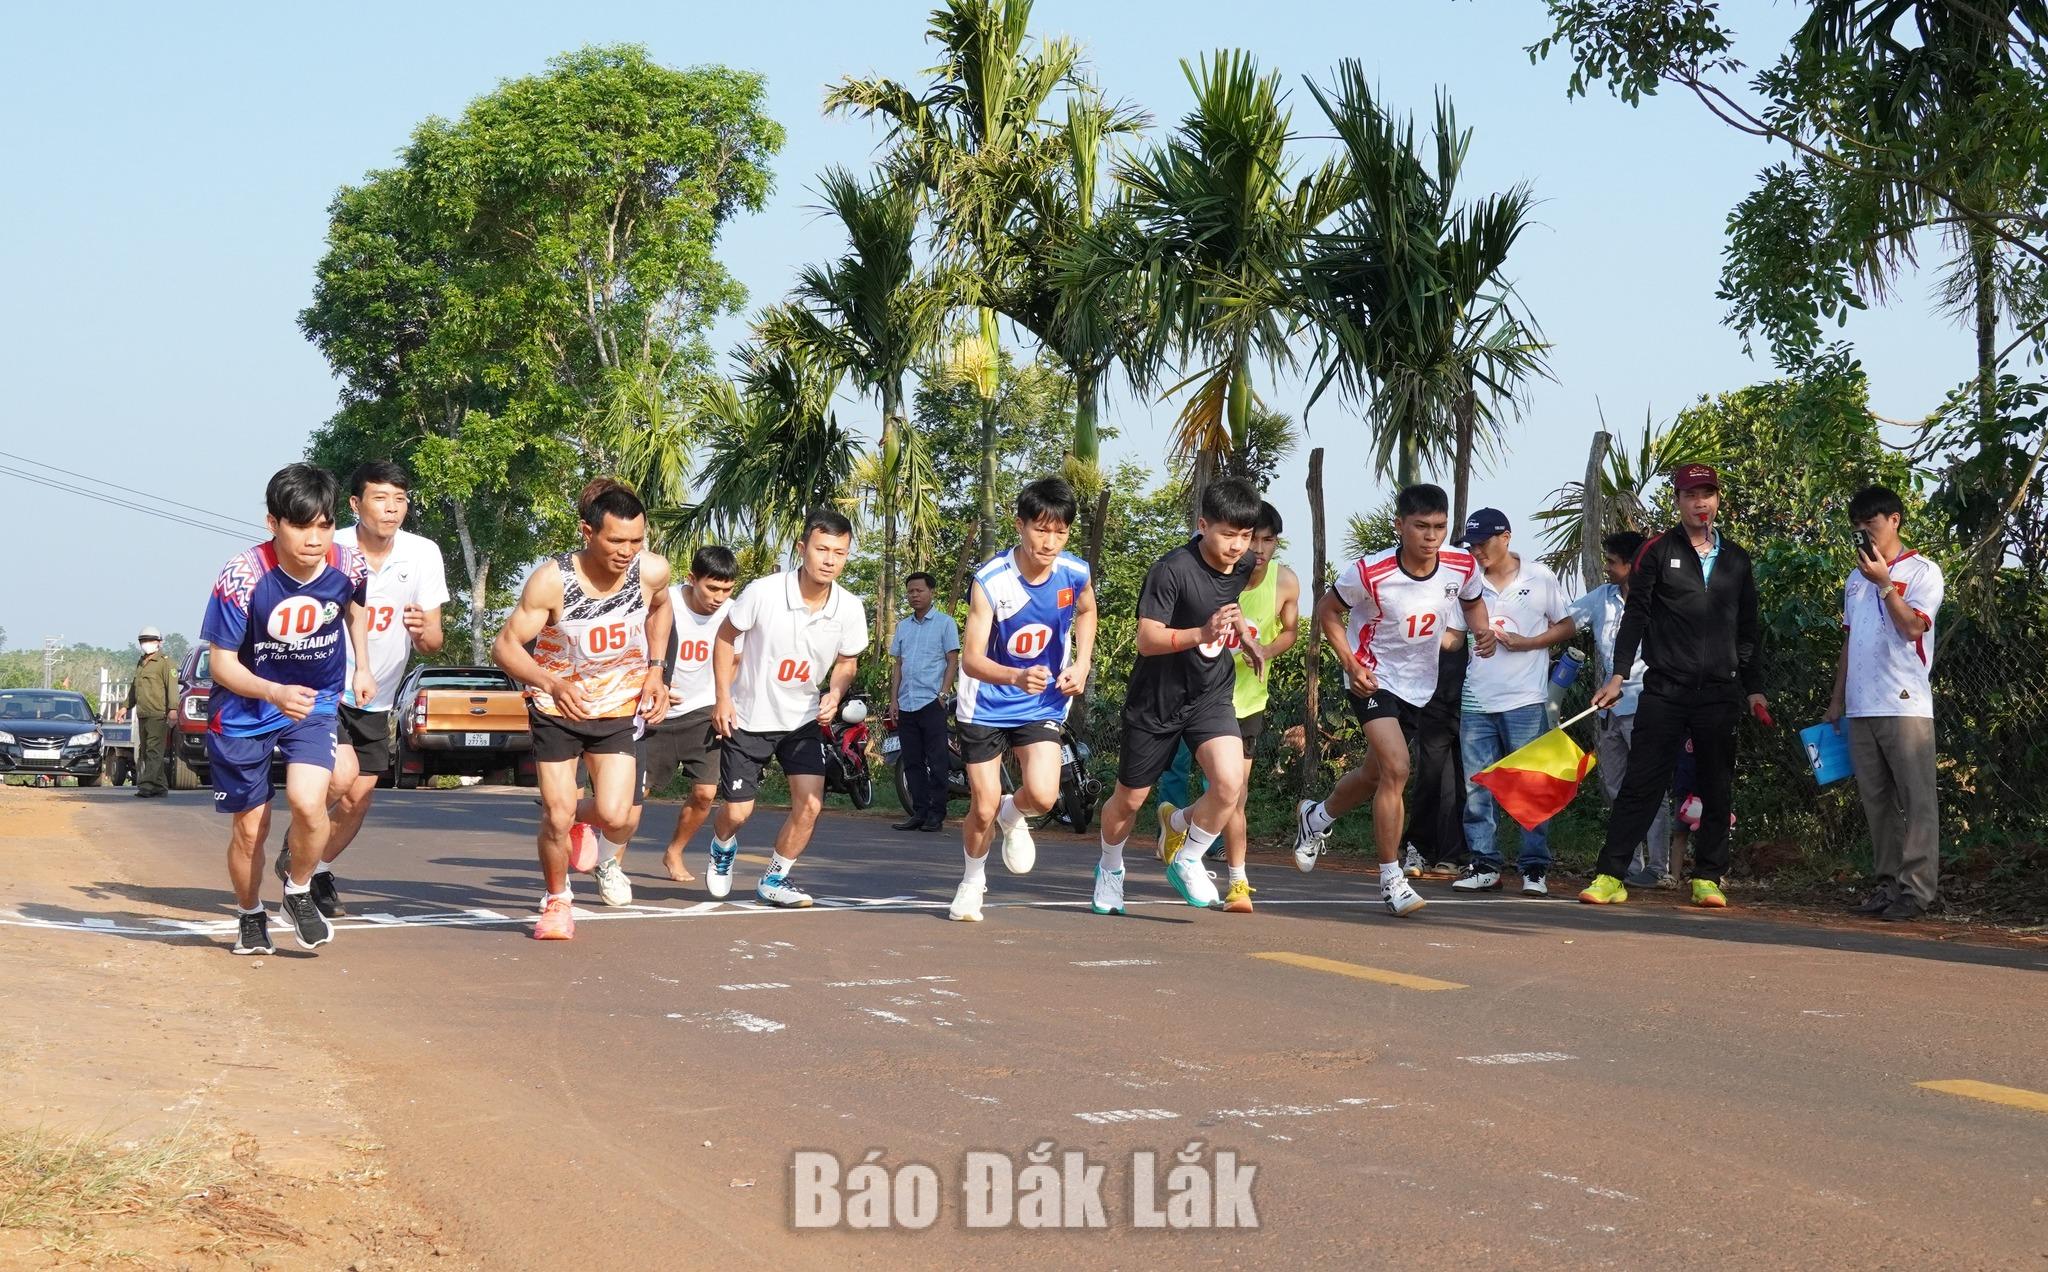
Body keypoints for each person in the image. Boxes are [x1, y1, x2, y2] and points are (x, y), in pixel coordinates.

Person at [1293, 483, 1494, 918]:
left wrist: (1483, 631)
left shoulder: (1461, 565)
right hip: (1373, 679)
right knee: (1399, 768)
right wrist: (1350, 663)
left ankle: (1316, 818)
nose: (1431, 536)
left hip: (1421, 685)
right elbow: (1328, 611)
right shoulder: (1369, 572)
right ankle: (1391, 877)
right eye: (1421, 526)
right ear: (1400, 525)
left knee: (1373, 775)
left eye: (1439, 527)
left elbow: (1474, 603)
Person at [199, 464, 376, 955]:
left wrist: (362, 666)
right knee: (251, 826)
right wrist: (273, 692)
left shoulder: (349, 562)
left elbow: (355, 606)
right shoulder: (242, 577)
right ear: (272, 523)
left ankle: (297, 891)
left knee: (309, 799)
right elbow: (220, 665)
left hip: (313, 703)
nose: (315, 539)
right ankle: (249, 913)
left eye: (324, 525)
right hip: (243, 710)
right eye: (301, 525)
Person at [1580, 463, 1767, 909]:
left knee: (1715, 783)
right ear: (1678, 501)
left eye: (1707, 494)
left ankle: (1708, 877)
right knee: (1643, 781)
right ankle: (1611, 874)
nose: (1699, 502)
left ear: (1718, 499)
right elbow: (1636, 617)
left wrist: (1754, 687)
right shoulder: (1656, 552)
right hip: (1664, 688)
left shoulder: (1737, 559)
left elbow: (1748, 628)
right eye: (1690, 495)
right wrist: (1618, 674)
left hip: (1719, 692)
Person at [493, 480, 673, 938]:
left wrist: (655, 670)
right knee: (555, 813)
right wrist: (549, 680)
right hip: (559, 708)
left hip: (617, 705)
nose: (626, 551)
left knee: (616, 816)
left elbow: (661, 608)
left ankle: (575, 821)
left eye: (636, 541)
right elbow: (506, 647)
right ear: (587, 531)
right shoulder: (554, 581)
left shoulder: (651, 571)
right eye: (615, 541)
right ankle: (557, 901)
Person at [280, 461, 448, 918]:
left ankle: (309, 867)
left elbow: (434, 641)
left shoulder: (423, 554)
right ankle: (301, 863)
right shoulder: (329, 549)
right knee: (339, 775)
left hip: (379, 693)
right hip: (324, 684)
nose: (391, 509)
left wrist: (420, 630)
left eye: (400, 500)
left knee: (357, 798)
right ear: (356, 504)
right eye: (380, 498)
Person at [1092, 478, 1265, 917]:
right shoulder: (1170, 570)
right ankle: (1110, 868)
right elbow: (1147, 640)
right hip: (1157, 701)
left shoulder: (1243, 565)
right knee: (1128, 800)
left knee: (1229, 785)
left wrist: (1244, 637)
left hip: (1209, 692)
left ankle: (1187, 856)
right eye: (1228, 534)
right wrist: (1201, 634)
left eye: (1245, 536)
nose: (1237, 546)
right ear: (1203, 525)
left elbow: (1227, 602)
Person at [948, 478, 1097, 921]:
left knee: (1046, 796)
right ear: (1020, 525)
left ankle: (1015, 814)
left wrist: (1083, 664)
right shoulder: (991, 581)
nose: (1050, 542)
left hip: (1042, 701)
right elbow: (971, 660)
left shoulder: (1075, 572)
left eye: (1061, 532)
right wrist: (1015, 675)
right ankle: (973, 880)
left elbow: (1087, 611)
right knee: (984, 802)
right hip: (986, 702)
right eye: (1041, 530)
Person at [704, 510, 868, 908]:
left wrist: (835, 690)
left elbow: (848, 661)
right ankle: (722, 845)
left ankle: (775, 877)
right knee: (738, 813)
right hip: (748, 718)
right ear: (802, 549)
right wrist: (723, 698)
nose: (830, 560)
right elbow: (726, 638)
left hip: (802, 721)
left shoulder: (849, 608)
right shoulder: (763, 592)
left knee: (811, 804)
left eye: (840, 553)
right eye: (822, 549)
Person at [1158, 500, 1297, 915]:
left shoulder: (1285, 582)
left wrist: (1263, 650)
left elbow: (1290, 631)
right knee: (1170, 773)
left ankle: (1234, 879)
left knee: (1234, 792)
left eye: (1267, 540)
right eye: (1251, 538)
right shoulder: (1212, 572)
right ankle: (1172, 832)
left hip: (1246, 699)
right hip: (1193, 693)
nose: (1257, 548)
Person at [1517, 531, 1678, 889]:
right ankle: (1629, 864)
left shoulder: (1662, 599)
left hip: (1648, 706)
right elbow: (1566, 624)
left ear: (1632, 565)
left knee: (1650, 788)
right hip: (1608, 710)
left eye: (1611, 561)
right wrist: (1525, 639)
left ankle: (1659, 867)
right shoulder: (1602, 598)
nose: (1606, 567)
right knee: (1615, 787)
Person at [1827, 484, 1944, 921]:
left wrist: (1884, 584)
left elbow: (1914, 628)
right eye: (1857, 527)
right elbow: (1850, 639)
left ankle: (1917, 891)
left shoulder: (1922, 571)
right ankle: (1887, 884)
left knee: (1917, 800)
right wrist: (1836, 699)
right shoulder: (1854, 578)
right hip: (1861, 706)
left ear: (1894, 519)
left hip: (1905, 703)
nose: (1865, 534)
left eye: (1871, 524)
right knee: (1876, 801)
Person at [1446, 508, 1572, 896]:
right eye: (1472, 544)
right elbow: (1451, 637)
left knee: (1529, 786)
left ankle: (1534, 869)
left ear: (1507, 537)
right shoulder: (1466, 583)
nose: (1478, 551)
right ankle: (1484, 864)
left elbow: (1567, 625)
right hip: (1476, 700)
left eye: (1484, 542)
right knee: (1478, 787)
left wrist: (1528, 644)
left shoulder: (1540, 577)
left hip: (1526, 700)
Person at [642, 545, 739, 885]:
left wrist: (723, 698)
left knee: (705, 793)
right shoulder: (662, 602)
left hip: (702, 711)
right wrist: (656, 686)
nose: (719, 597)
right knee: (636, 796)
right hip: (655, 711)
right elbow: (636, 648)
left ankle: (675, 851)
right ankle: (612, 859)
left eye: (727, 590)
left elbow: (736, 660)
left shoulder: (733, 613)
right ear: (692, 579)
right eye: (712, 588)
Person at [888, 571, 961, 832]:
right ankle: (918, 812)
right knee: (912, 761)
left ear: (932, 592)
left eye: (919, 590)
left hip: (932, 702)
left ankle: (936, 814)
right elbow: (899, 664)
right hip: (906, 703)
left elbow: (952, 660)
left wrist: (943, 693)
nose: (914, 595)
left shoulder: (945, 623)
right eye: (910, 591)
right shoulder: (903, 627)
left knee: (938, 761)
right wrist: (893, 700)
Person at [1401, 640, 1469, 875]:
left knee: (1463, 783)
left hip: (1476, 701)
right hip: (1433, 698)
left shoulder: (1483, 605)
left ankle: (1454, 855)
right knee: (1430, 777)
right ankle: (1418, 848)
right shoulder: (1433, 603)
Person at [126, 625, 177, 798]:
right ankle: (160, 786)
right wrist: (125, 706)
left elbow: (172, 688)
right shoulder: (141, 663)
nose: (146, 644)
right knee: (146, 750)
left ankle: (146, 785)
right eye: (143, 641)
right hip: (143, 713)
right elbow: (135, 688)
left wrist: (173, 710)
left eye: (150, 640)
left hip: (158, 714)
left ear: (159, 643)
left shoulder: (165, 663)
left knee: (154, 750)